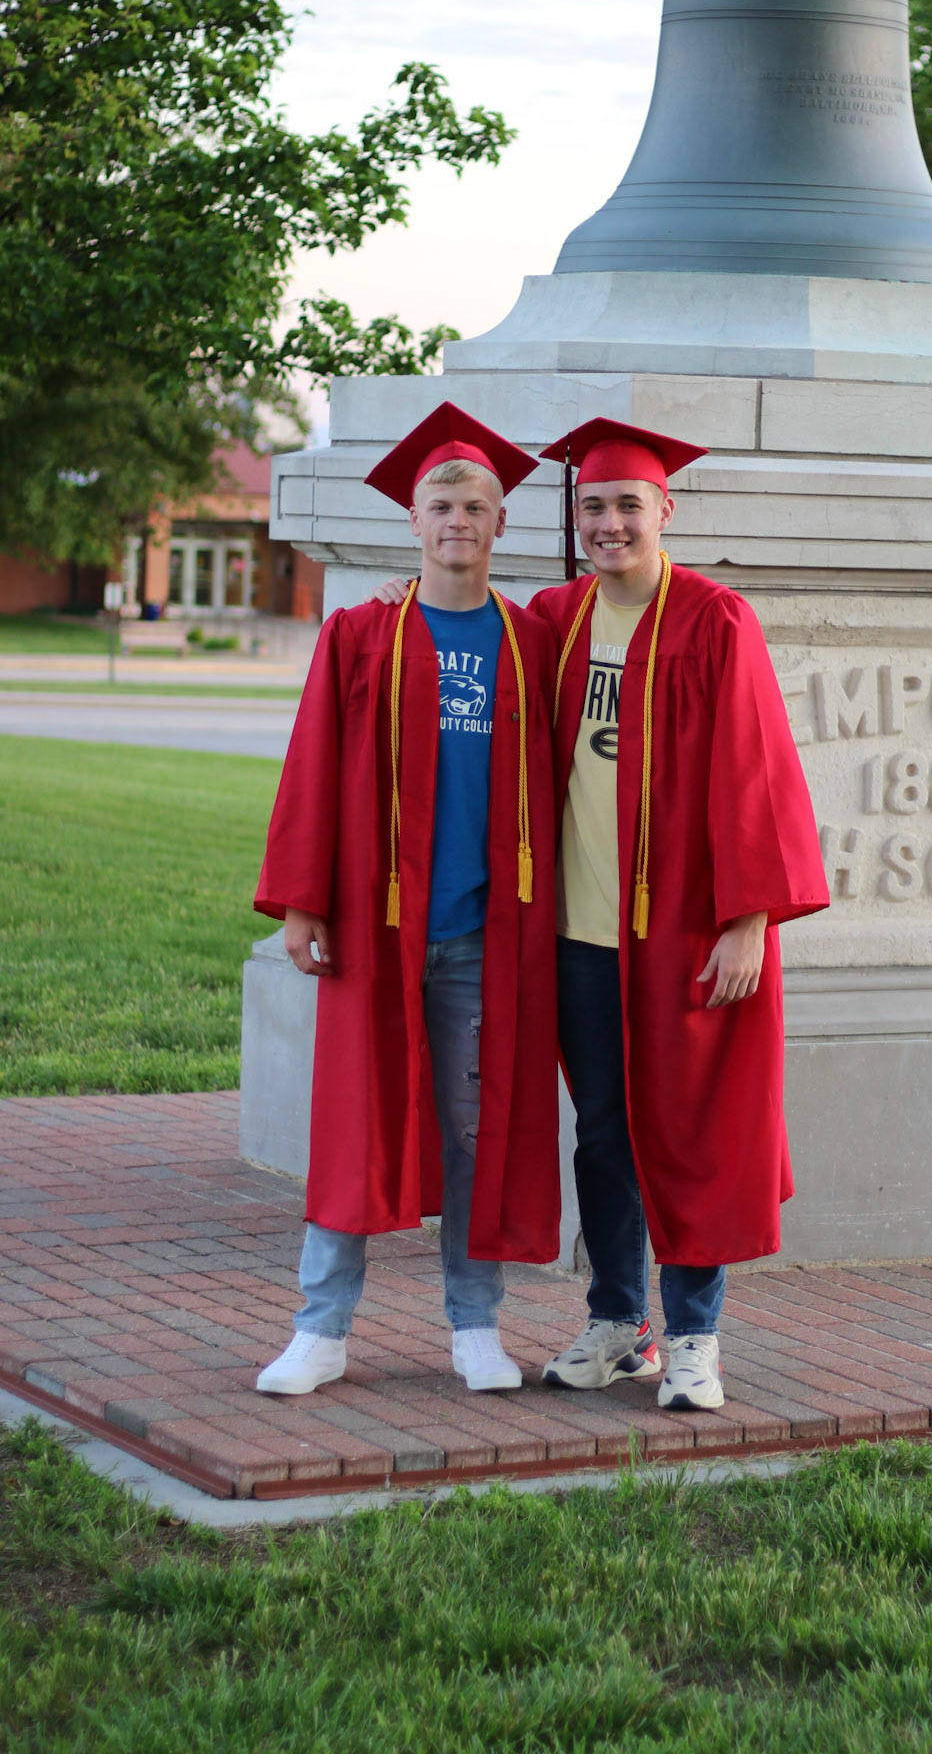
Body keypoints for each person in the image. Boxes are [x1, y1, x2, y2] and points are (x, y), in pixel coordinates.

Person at [253, 404, 560, 1397]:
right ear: (412, 519)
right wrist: (302, 904)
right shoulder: (362, 632)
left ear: (500, 522)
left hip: (483, 933)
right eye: (441, 505)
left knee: (475, 1130)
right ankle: (321, 1329)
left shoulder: (531, 641)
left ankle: (475, 1325)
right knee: (353, 1120)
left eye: (475, 506)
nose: (456, 520)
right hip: (376, 927)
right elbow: (312, 770)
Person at [533, 418, 828, 1411]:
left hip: (687, 935)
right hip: (580, 934)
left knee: (694, 1133)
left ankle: (696, 1336)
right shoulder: (556, 618)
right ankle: (621, 1324)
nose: (609, 523)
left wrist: (750, 920)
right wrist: (400, 604)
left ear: (666, 510)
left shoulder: (714, 619)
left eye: (628, 504)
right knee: (603, 1135)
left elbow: (757, 772)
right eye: (593, 506)